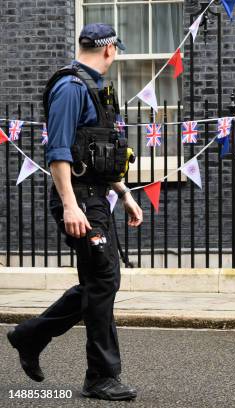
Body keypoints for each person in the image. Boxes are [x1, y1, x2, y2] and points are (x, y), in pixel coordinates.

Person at [6, 23, 143, 401]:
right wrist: (70, 204)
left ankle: (30, 335)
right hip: (79, 200)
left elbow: (93, 153)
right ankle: (100, 376)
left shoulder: (93, 88)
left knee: (102, 281)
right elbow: (59, 152)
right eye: (116, 50)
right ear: (109, 50)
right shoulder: (70, 87)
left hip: (95, 195)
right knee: (102, 282)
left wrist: (124, 192)